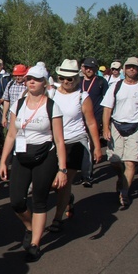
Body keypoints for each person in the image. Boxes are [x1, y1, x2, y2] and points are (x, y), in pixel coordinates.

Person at [0, 65, 67, 262]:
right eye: (29, 79)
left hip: (45, 156)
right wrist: (3, 161)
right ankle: (30, 226)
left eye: (36, 79)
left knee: (39, 199)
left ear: (45, 83)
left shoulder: (52, 107)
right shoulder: (18, 105)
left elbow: (59, 140)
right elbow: (11, 134)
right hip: (21, 155)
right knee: (16, 201)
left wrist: (62, 169)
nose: (31, 82)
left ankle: (35, 243)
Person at [47, 60, 103, 231]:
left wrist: (97, 147)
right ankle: (68, 199)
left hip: (75, 142)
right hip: (54, 143)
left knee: (63, 181)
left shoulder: (82, 97)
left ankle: (57, 218)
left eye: (70, 78)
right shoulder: (52, 94)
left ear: (76, 78)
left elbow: (91, 123)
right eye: (62, 78)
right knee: (52, 184)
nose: (66, 81)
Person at [101, 57, 138, 209]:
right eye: (129, 67)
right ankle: (120, 177)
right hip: (116, 126)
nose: (132, 69)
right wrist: (105, 127)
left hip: (136, 127)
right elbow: (107, 108)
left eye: (135, 67)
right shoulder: (116, 86)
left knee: (131, 162)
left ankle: (124, 192)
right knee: (115, 161)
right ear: (124, 69)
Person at [80, 57, 109, 187]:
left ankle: (88, 175)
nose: (89, 70)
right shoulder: (77, 81)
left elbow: (108, 100)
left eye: (91, 68)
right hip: (78, 118)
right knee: (80, 147)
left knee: (90, 146)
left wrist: (105, 122)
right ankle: (80, 170)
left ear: (96, 69)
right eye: (86, 67)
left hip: (95, 118)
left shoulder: (101, 82)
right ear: (82, 68)